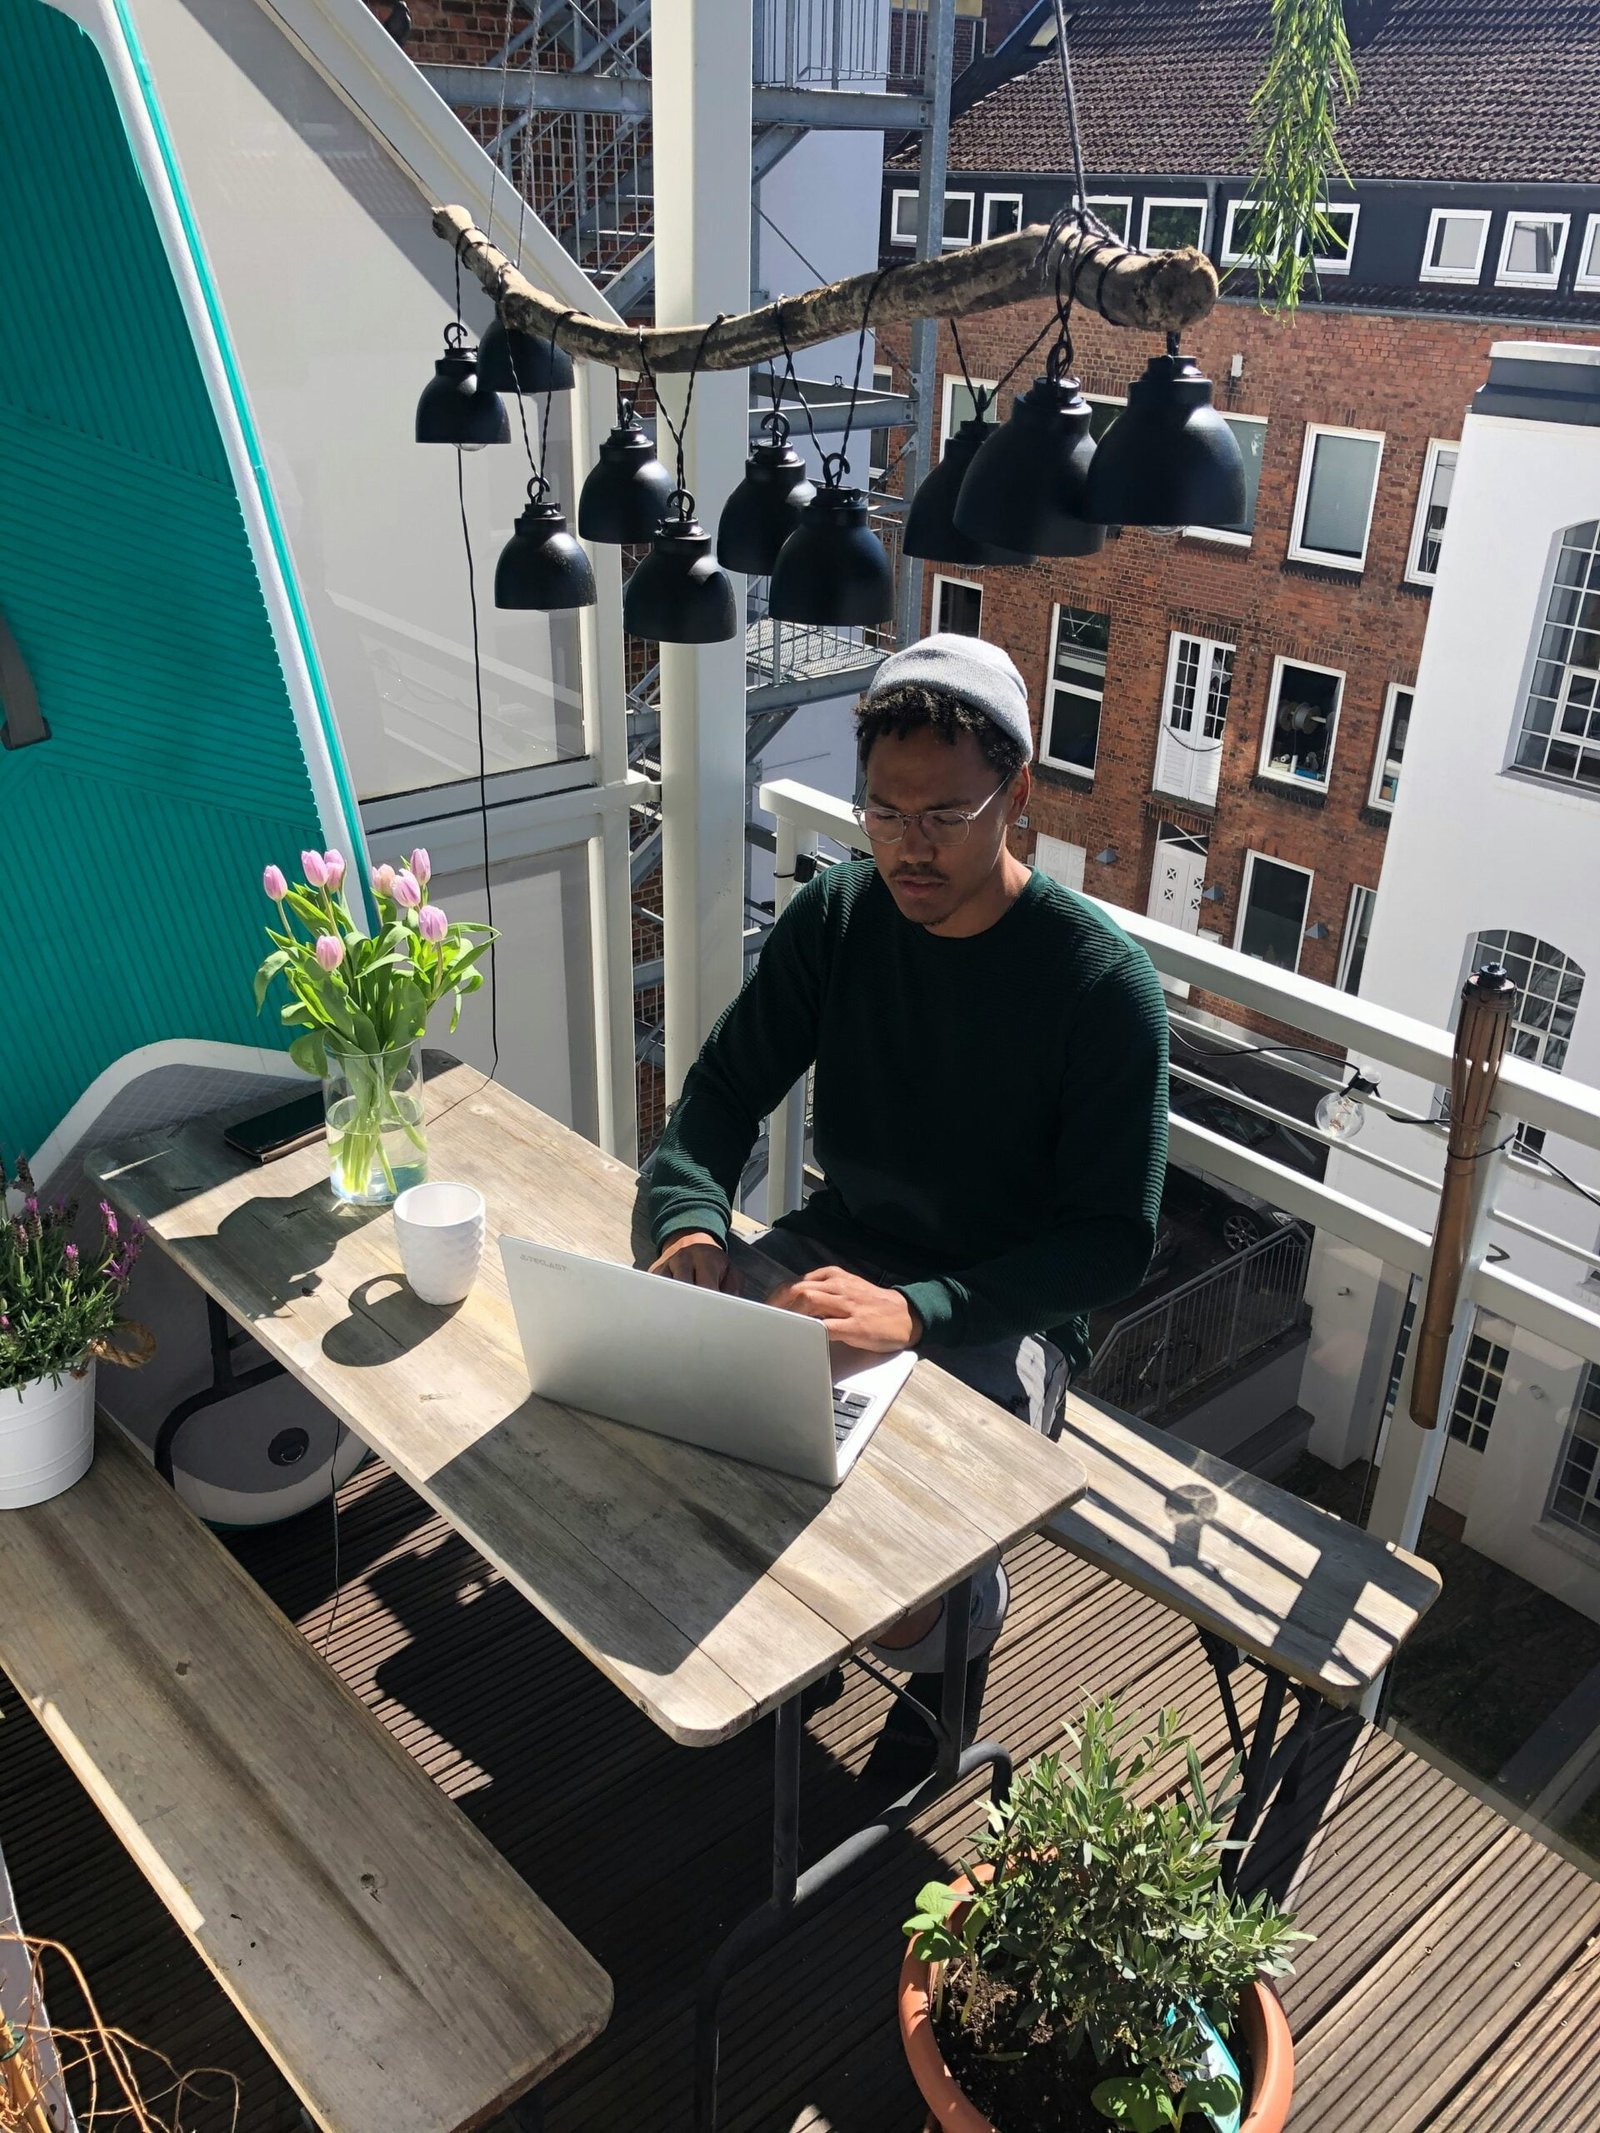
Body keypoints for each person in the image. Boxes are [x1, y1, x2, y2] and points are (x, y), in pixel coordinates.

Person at [647, 632, 1168, 1779]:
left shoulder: (1098, 985)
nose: (907, 849)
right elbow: (722, 1096)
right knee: (697, 1418)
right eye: (882, 813)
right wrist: (687, 1221)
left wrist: (918, 1311)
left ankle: (945, 1653)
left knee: (897, 1558)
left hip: (998, 1308)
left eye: (944, 815)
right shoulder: (838, 918)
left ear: (1017, 794)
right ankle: (811, 1636)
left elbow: (1109, 1242)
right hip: (842, 1249)